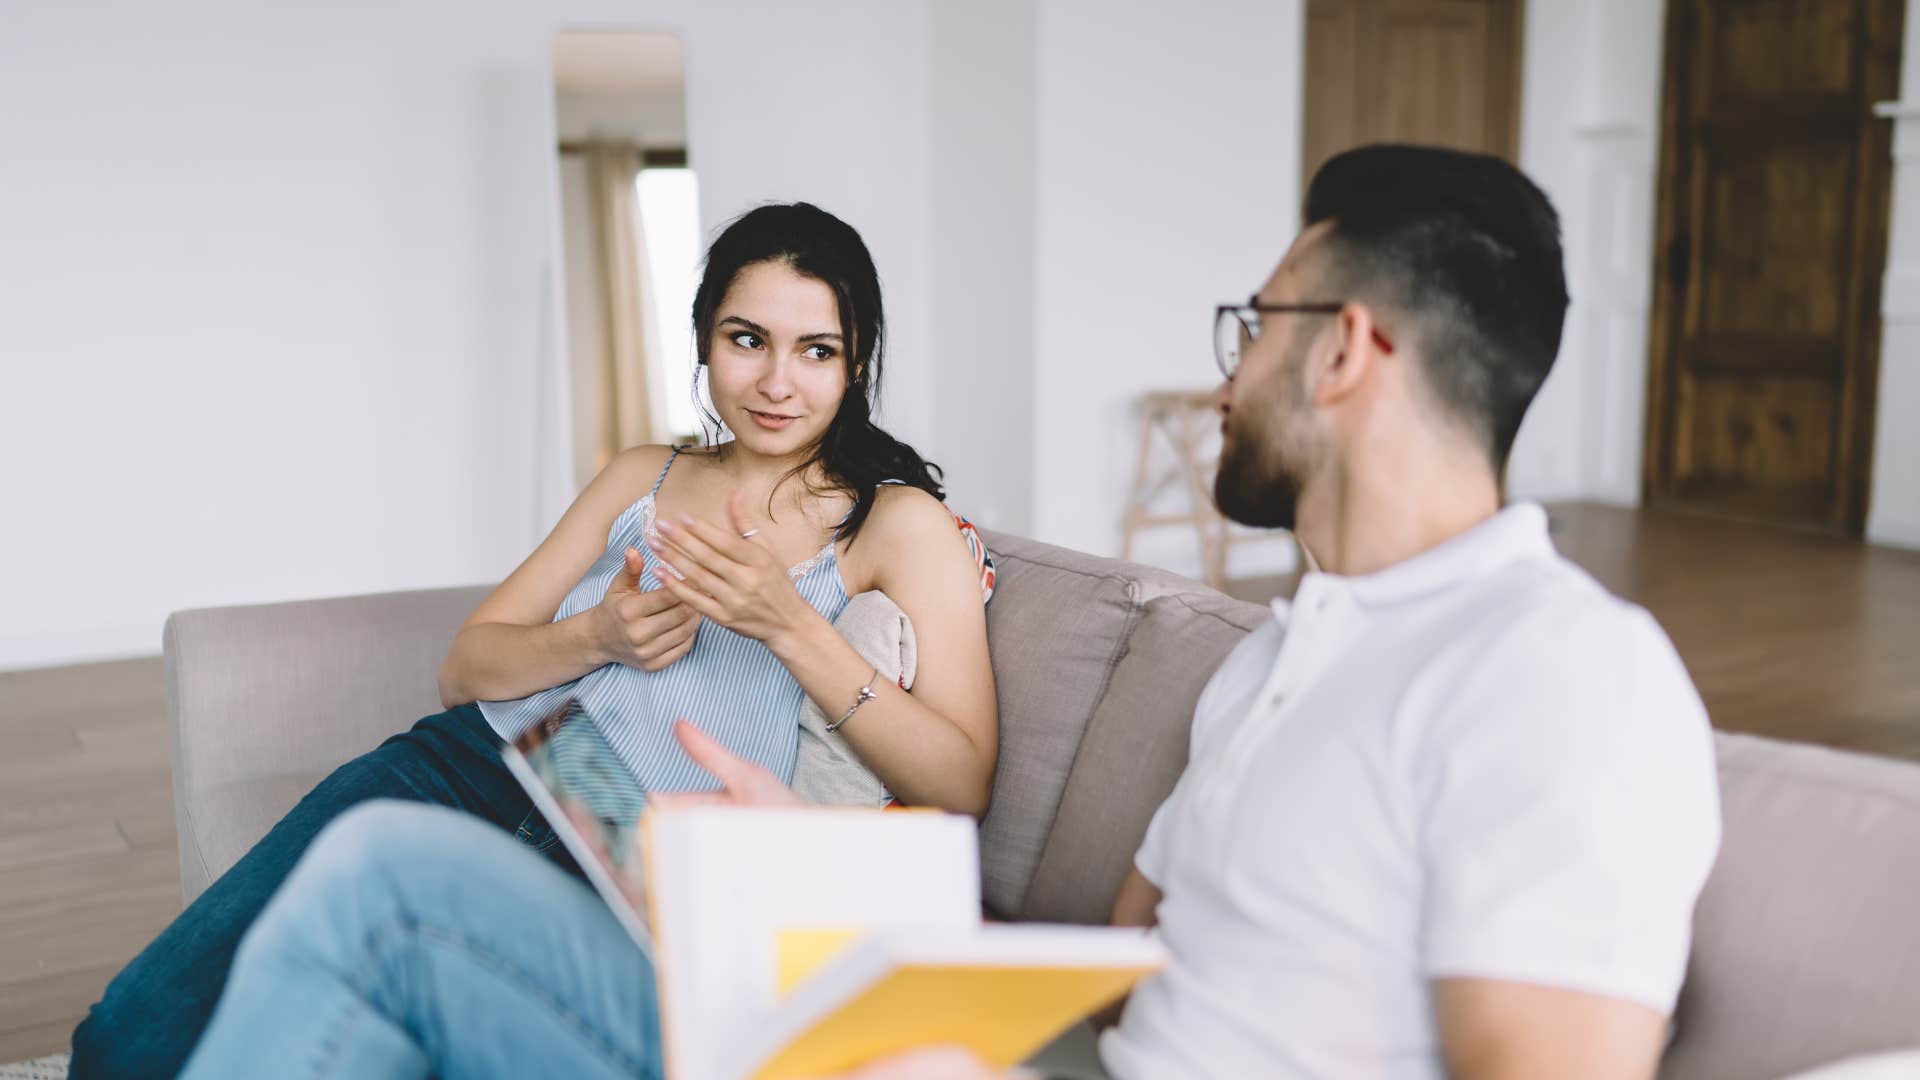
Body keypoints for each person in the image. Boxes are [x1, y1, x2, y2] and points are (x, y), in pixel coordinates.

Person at [178, 144, 1721, 1079]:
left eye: (1258, 325)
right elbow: (1115, 994)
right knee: (383, 894)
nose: (1228, 368)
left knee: (387, 887)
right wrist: (807, 904)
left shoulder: (1559, 673)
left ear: (1347, 355)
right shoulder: (1275, 670)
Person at [70, 202, 999, 1080]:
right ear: (705, 341)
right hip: (471, 765)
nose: (775, 382)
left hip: (633, 853)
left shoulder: (898, 524)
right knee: (130, 1032)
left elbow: (959, 783)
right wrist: (598, 635)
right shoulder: (645, 474)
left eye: (816, 350)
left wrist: (790, 626)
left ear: (856, 363)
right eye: (746, 339)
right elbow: (463, 667)